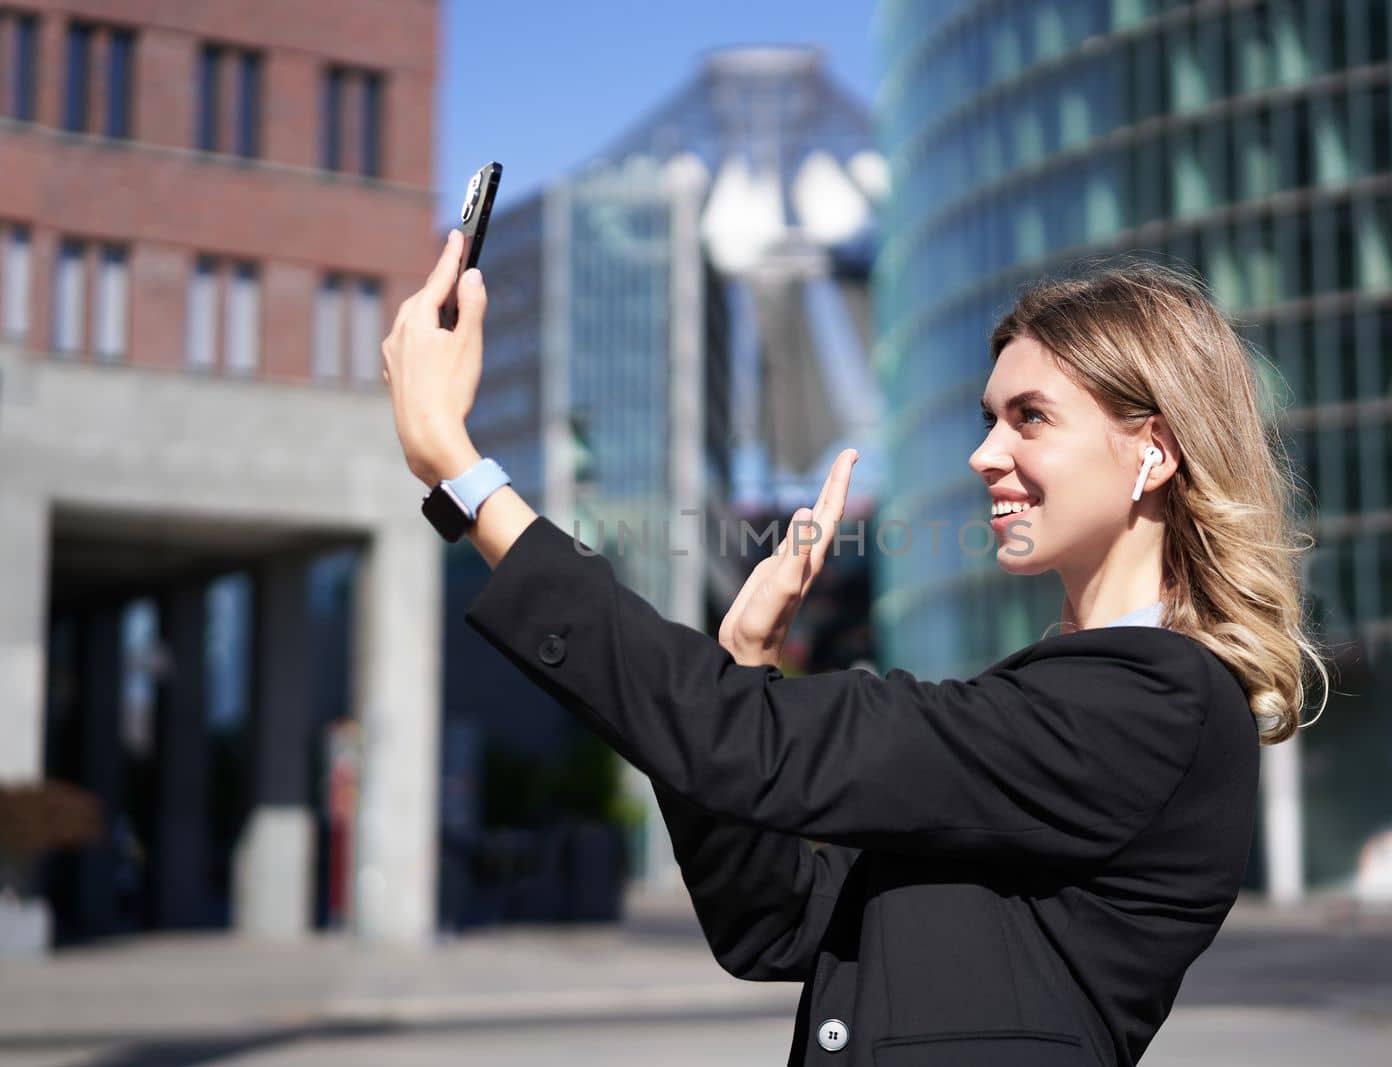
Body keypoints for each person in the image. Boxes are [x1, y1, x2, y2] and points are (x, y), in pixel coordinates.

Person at [381, 229, 1327, 1066]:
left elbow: (741, 741)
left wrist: (465, 474)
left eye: (1029, 416)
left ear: (1152, 453)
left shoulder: (1151, 703)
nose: (984, 454)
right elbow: (777, 920)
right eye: (988, 418)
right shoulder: (1060, 706)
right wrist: (745, 652)